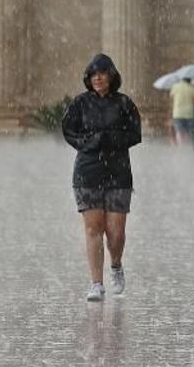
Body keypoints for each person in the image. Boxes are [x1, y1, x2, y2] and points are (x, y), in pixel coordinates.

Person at [62, 53, 142, 301]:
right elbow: (68, 130)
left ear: (111, 76)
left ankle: (116, 264)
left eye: (102, 73)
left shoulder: (124, 103)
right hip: (88, 171)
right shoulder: (80, 104)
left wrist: (113, 139)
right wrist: (88, 142)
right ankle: (96, 283)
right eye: (93, 74)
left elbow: (135, 134)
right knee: (93, 228)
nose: (97, 78)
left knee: (115, 232)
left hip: (118, 171)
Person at [169, 78, 194, 145]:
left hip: (177, 113)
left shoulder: (175, 86)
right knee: (188, 132)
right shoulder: (191, 88)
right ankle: (188, 146)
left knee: (179, 131)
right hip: (189, 113)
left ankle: (181, 147)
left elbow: (171, 98)